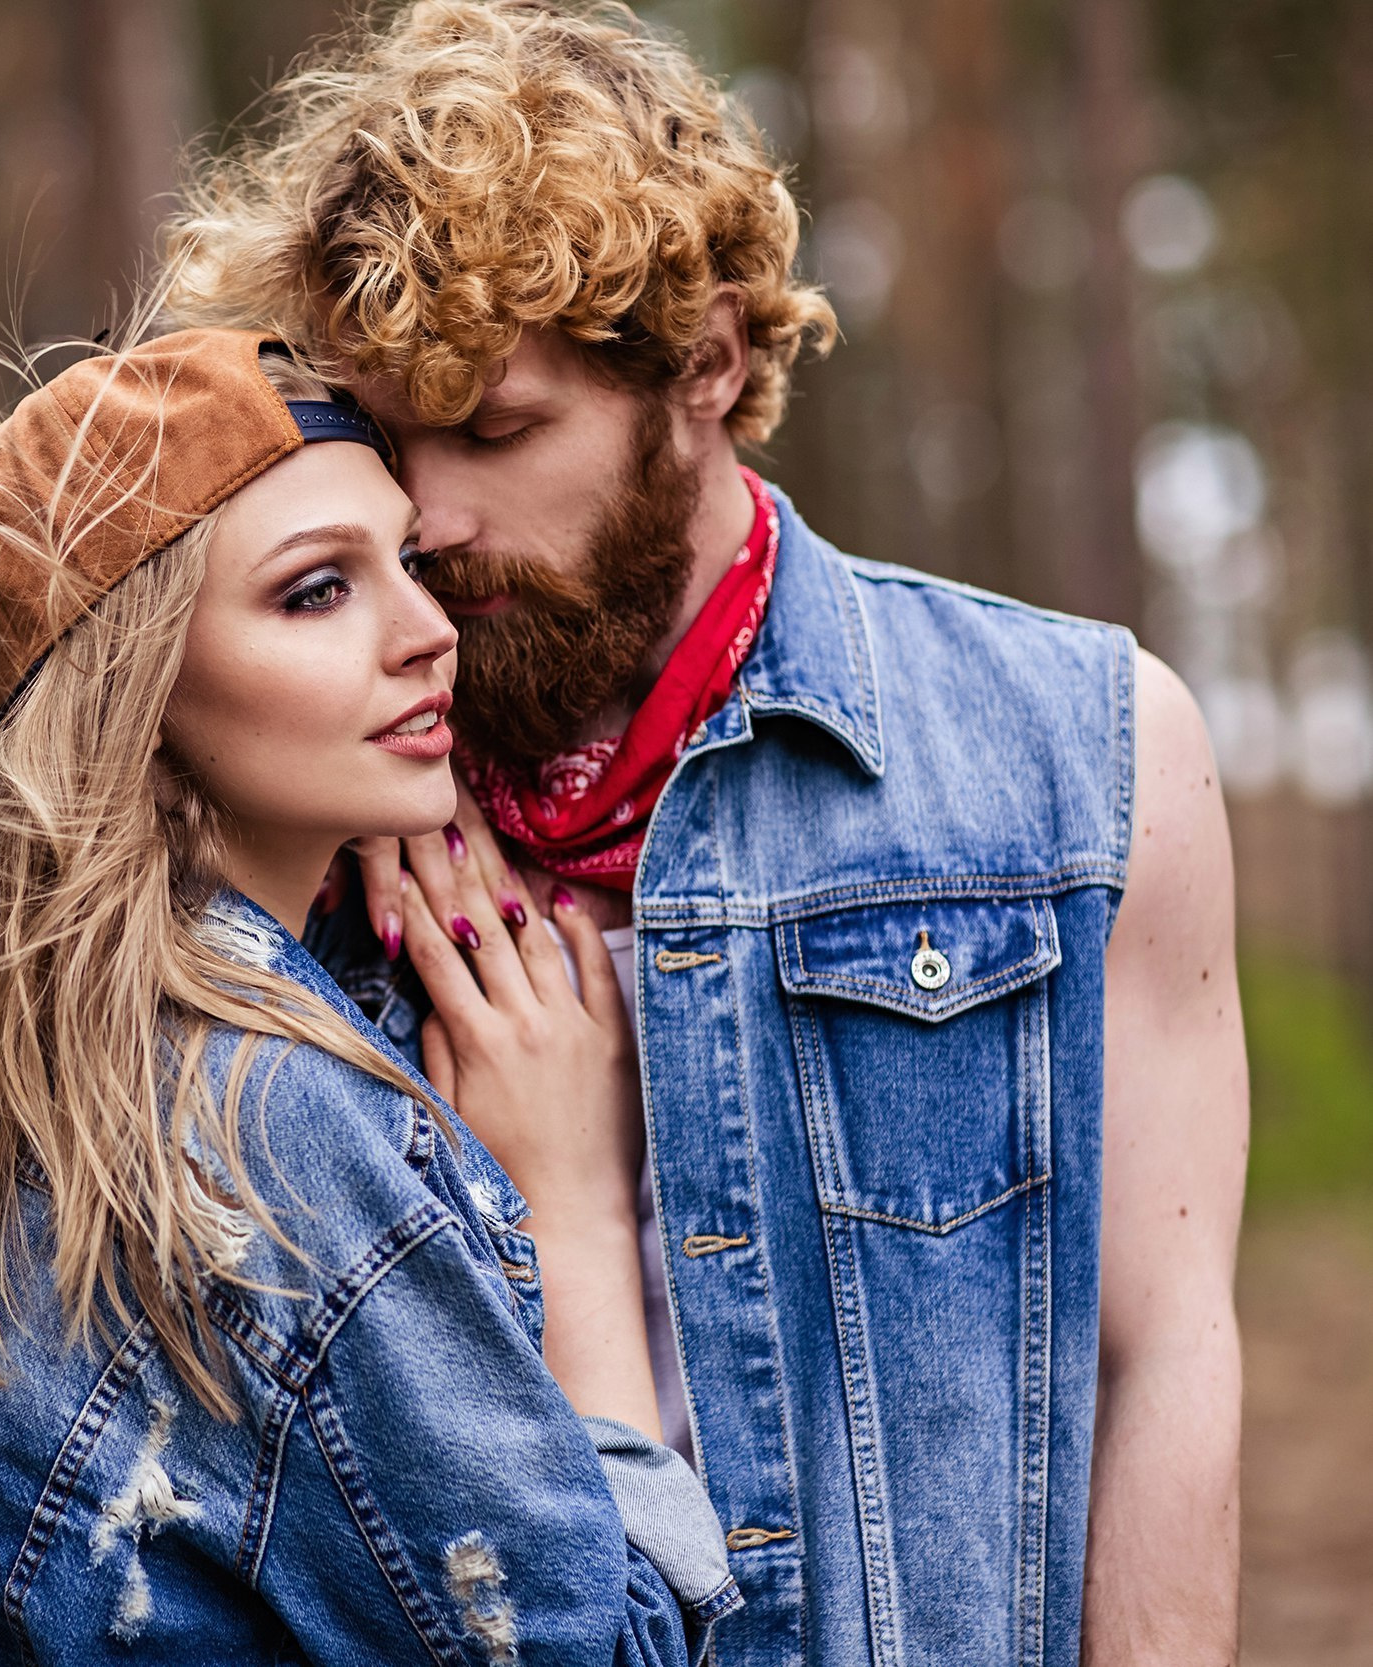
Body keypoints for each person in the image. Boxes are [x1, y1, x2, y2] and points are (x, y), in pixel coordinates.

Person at [161, 6, 1248, 1666]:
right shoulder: (310, 808)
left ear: (711, 366)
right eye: (391, 438)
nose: (429, 520)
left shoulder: (1084, 758)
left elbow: (1161, 1360)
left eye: (499, 431)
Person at [0, 326, 741, 1662]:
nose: (428, 632)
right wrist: (573, 1210)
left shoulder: (58, 1044)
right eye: (316, 593)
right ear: (140, 695)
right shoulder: (268, 1123)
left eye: (405, 565)